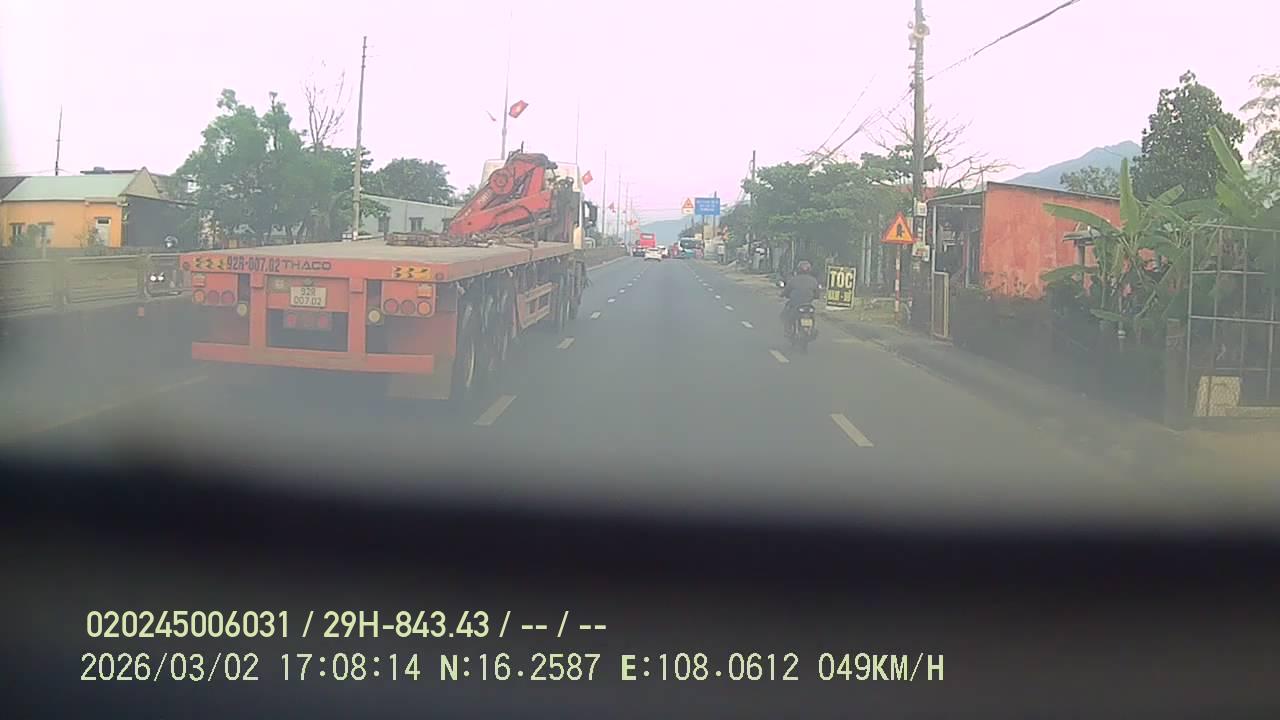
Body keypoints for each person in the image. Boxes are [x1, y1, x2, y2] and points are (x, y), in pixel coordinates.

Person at [780, 260, 821, 336]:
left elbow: (786, 291)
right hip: (808, 306)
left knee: (785, 314)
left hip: (796, 305)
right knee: (812, 315)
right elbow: (817, 294)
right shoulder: (813, 280)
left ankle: (788, 329)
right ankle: (812, 329)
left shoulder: (793, 280)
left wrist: (783, 295)